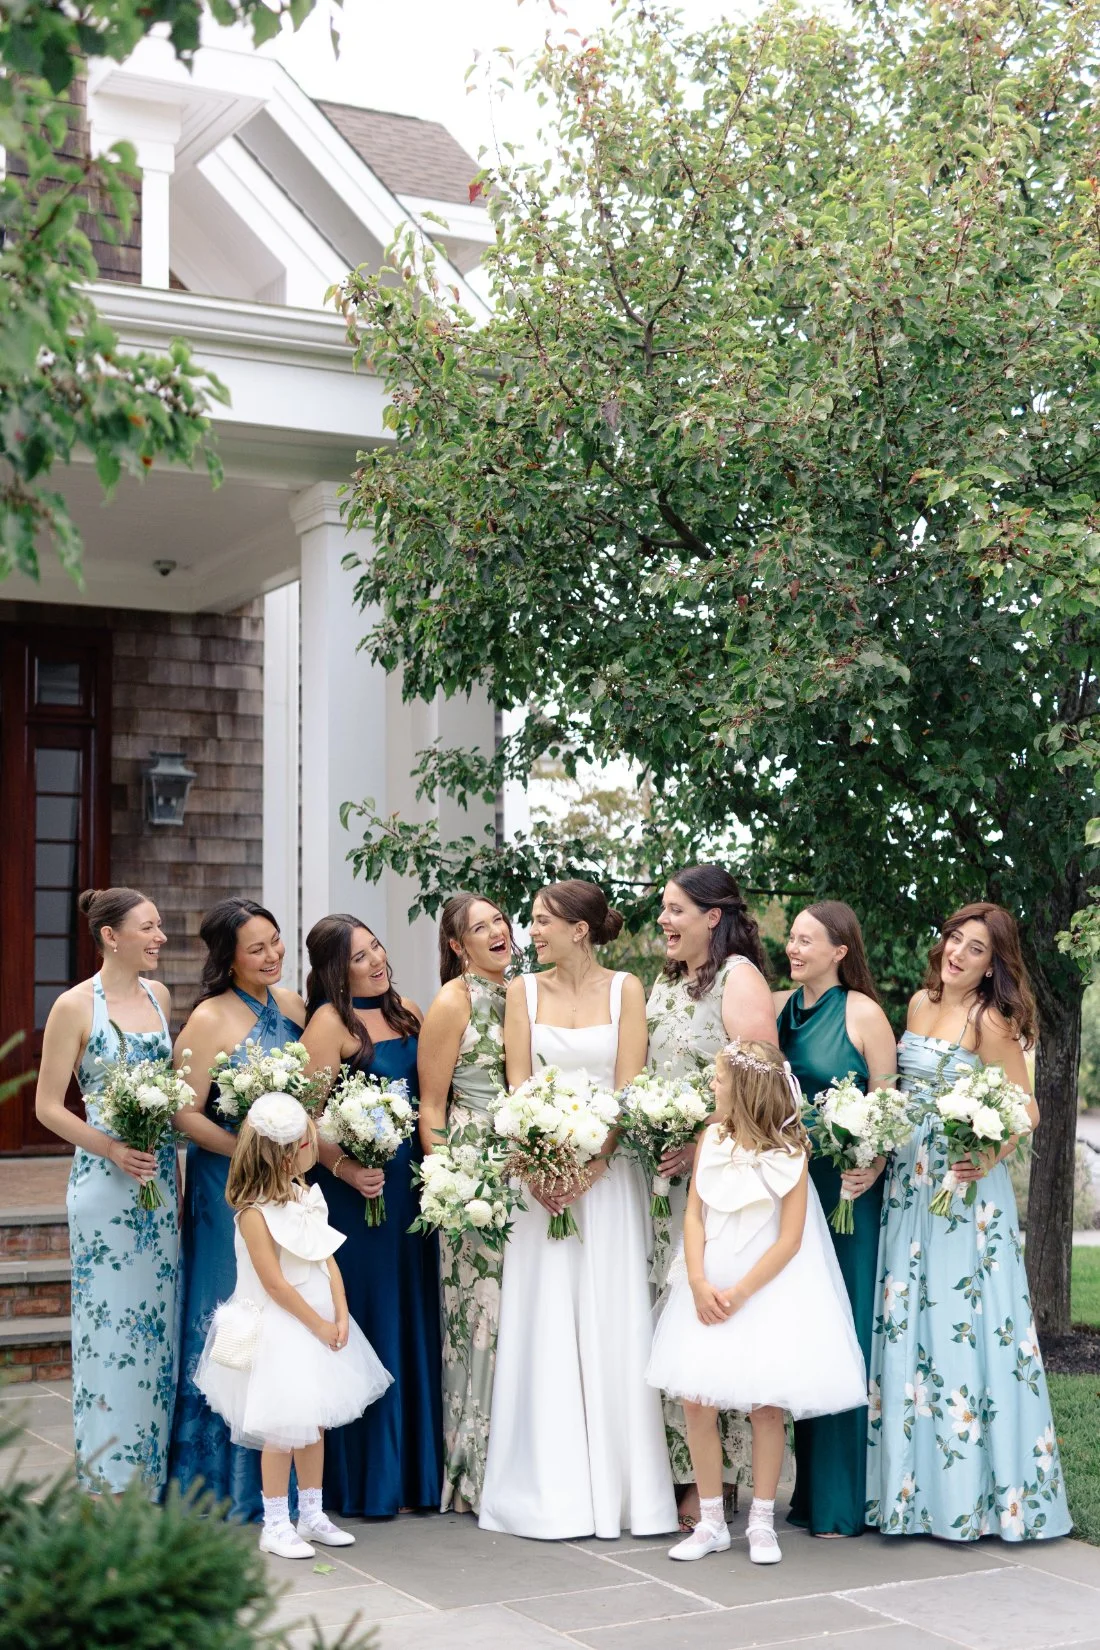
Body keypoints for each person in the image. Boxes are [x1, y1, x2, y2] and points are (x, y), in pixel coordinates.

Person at [478, 879, 678, 1541]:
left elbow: (627, 1088)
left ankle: (624, 1493)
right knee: (545, 1319)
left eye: (541, 921)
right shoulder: (521, 993)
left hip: (606, 1178)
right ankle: (546, 1489)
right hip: (540, 1183)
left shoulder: (626, 989)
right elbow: (516, 1088)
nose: (530, 933)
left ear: (580, 929)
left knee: (609, 1317)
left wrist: (590, 1166)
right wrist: (538, 1166)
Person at [867, 903, 1072, 1542]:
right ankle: (908, 1495)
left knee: (961, 1331)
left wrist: (987, 1151)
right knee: (913, 1324)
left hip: (963, 1194)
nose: (957, 952)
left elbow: (1027, 1108)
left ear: (992, 966)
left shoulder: (992, 1021)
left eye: (975, 948)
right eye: (955, 938)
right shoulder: (920, 1004)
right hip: (910, 1185)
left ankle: (973, 1500)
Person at [647, 1038, 866, 1565]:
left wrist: (742, 1293)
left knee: (766, 1407)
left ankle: (762, 1521)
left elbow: (789, 1240)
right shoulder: (711, 1138)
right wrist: (698, 1282)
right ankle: (712, 1522)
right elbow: (696, 1214)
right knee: (697, 1399)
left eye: (719, 1079)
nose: (711, 1086)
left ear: (744, 1089)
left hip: (764, 1292)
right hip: (708, 1287)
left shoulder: (791, 1152)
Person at [194, 1092, 391, 1559]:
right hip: (282, 1330)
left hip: (318, 1322)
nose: (314, 1147)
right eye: (307, 1142)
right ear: (284, 1155)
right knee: (283, 1430)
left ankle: (312, 1514)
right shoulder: (254, 1214)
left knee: (314, 1424)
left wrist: (340, 1315)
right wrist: (319, 1325)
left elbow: (327, 1263)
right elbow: (276, 1285)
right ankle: (275, 1522)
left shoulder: (304, 1197)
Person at [34, 887, 178, 1497]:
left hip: (160, 1182)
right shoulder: (73, 1006)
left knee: (156, 1329)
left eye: (160, 926)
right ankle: (108, 1479)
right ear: (111, 936)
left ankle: (151, 1475)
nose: (160, 937)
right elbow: (46, 1108)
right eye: (148, 927)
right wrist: (111, 1147)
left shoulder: (159, 996)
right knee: (109, 1330)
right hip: (105, 1183)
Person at [645, 864, 777, 1522]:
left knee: (712, 1320)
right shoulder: (665, 982)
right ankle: (682, 1476)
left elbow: (763, 1090)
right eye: (663, 910)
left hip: (717, 1184)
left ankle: (720, 1486)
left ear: (712, 917)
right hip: (660, 1186)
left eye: (674, 910)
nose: (664, 921)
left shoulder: (739, 980)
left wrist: (703, 1144)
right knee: (671, 1325)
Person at [168, 898, 306, 1521]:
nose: (273, 955)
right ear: (228, 959)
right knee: (233, 1311)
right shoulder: (207, 1019)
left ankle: (282, 1481)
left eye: (276, 942)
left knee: (283, 1313)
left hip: (287, 1188)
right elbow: (184, 1112)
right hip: (225, 1186)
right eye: (258, 948)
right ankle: (220, 1482)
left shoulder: (297, 1009)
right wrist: (248, 1153)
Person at [302, 914, 442, 1518]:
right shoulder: (330, 1024)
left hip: (410, 1187)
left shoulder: (409, 1009)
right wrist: (344, 1169)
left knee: (414, 1315)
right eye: (361, 956)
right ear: (337, 968)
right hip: (357, 1197)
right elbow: (303, 1121)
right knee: (373, 1319)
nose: (377, 960)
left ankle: (417, 1476)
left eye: (377, 947)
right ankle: (366, 1481)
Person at [775, 902, 897, 1538]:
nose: (793, 948)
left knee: (846, 1328)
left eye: (806, 939)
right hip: (791, 1188)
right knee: (803, 1327)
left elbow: (887, 1100)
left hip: (847, 1190)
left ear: (840, 950)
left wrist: (872, 1164)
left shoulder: (863, 1013)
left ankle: (841, 1502)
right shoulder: (778, 1009)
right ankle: (807, 1493)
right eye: (791, 937)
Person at [417, 892, 515, 1514]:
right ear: (457, 946)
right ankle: (472, 1472)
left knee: (517, 1322)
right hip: (473, 1173)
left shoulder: (525, 992)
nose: (497, 932)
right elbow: (431, 1107)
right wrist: (447, 1185)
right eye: (481, 928)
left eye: (500, 920)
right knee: (477, 1323)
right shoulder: (454, 1001)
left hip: (525, 1168)